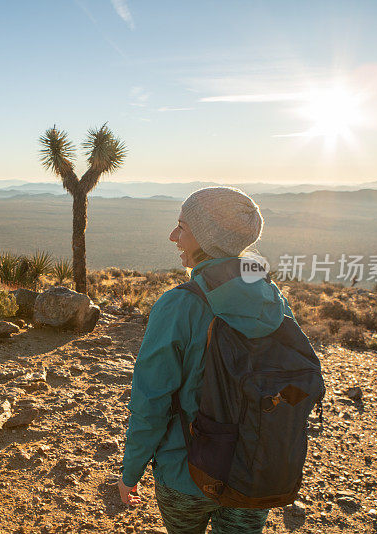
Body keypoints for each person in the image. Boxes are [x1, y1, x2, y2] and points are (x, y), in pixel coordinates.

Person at [118, 187, 294, 534]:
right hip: (253, 473)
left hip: (187, 474)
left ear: (208, 237)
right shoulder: (272, 299)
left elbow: (151, 402)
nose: (173, 236)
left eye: (182, 226)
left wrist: (131, 472)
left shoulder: (178, 305)